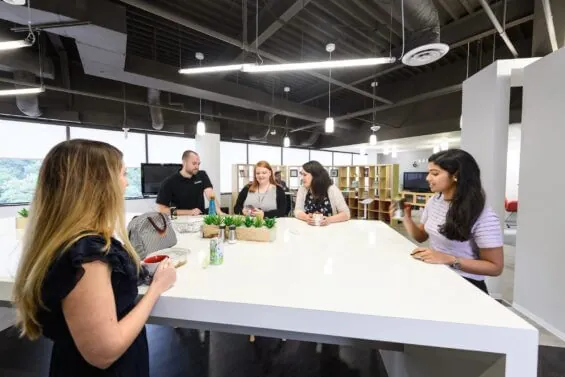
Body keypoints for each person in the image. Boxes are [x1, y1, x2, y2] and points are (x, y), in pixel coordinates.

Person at [12, 139, 177, 376]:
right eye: (122, 173)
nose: (126, 182)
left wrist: (130, 268)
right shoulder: (87, 253)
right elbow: (104, 353)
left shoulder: (69, 243)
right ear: (99, 185)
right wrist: (156, 289)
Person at [395, 149, 504, 293]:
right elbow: (421, 236)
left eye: (435, 173)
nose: (427, 178)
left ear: (456, 176)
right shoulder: (435, 200)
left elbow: (495, 267)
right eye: (429, 173)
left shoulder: (483, 215)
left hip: (466, 284)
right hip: (437, 275)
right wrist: (406, 218)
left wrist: (450, 259)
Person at [156, 150, 223, 216]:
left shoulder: (202, 175)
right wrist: (189, 212)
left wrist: (219, 212)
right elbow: (161, 210)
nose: (197, 167)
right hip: (179, 221)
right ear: (184, 162)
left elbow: (210, 194)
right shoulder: (169, 182)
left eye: (198, 164)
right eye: (194, 163)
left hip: (199, 219)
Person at [294, 160, 350, 225]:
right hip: (308, 230)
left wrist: (329, 219)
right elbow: (297, 211)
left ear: (315, 176)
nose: (302, 178)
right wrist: (306, 217)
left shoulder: (332, 189)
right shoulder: (302, 189)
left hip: (330, 231)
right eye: (302, 175)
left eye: (305, 175)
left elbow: (346, 214)